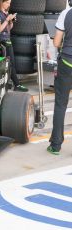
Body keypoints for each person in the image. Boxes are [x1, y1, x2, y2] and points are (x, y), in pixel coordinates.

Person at [47, 1, 72, 155]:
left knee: (61, 104)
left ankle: (55, 145)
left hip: (67, 62)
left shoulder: (66, 13)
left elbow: (56, 42)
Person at [0, 0, 28, 92]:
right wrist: (7, 19)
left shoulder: (6, 13)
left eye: (9, 3)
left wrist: (11, 22)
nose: (9, 5)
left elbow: (8, 29)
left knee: (12, 63)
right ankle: (17, 84)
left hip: (7, 40)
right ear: (1, 2)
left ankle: (10, 83)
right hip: (0, 41)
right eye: (7, 2)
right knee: (7, 63)